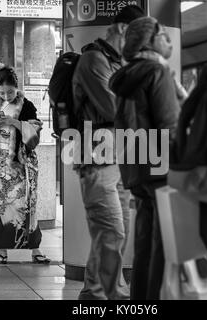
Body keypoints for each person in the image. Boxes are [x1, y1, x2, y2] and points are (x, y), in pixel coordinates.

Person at [72, 5, 145, 300]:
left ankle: (94, 292)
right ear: (125, 30)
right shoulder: (93, 60)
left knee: (115, 230)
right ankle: (114, 295)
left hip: (119, 158)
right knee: (112, 230)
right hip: (97, 159)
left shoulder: (119, 63)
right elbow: (114, 108)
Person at [109, 16, 180, 300]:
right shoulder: (156, 73)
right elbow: (169, 126)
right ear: (149, 40)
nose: (169, 40)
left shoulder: (128, 76)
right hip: (161, 170)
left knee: (144, 247)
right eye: (163, 34)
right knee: (164, 249)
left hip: (136, 171)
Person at [0, 64, 49, 265]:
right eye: (2, 92)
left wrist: (14, 122)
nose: (7, 96)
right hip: (0, 167)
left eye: (10, 92)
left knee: (28, 206)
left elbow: (34, 136)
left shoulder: (27, 106)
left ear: (17, 87)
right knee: (3, 208)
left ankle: (35, 248)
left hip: (23, 166)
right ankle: (2, 249)